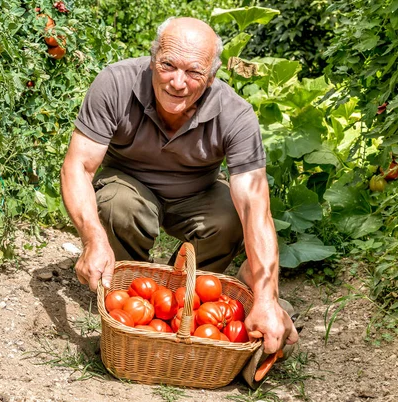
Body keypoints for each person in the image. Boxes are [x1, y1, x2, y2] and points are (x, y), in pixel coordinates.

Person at [60, 17, 298, 354]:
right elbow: (78, 166)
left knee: (231, 216)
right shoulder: (115, 82)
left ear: (212, 77)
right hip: (128, 185)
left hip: (196, 194)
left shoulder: (236, 115)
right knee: (117, 204)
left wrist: (267, 296)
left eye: (194, 73)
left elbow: (255, 208)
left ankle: (182, 302)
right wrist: (92, 239)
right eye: (168, 65)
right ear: (153, 57)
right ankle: (124, 296)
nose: (177, 82)